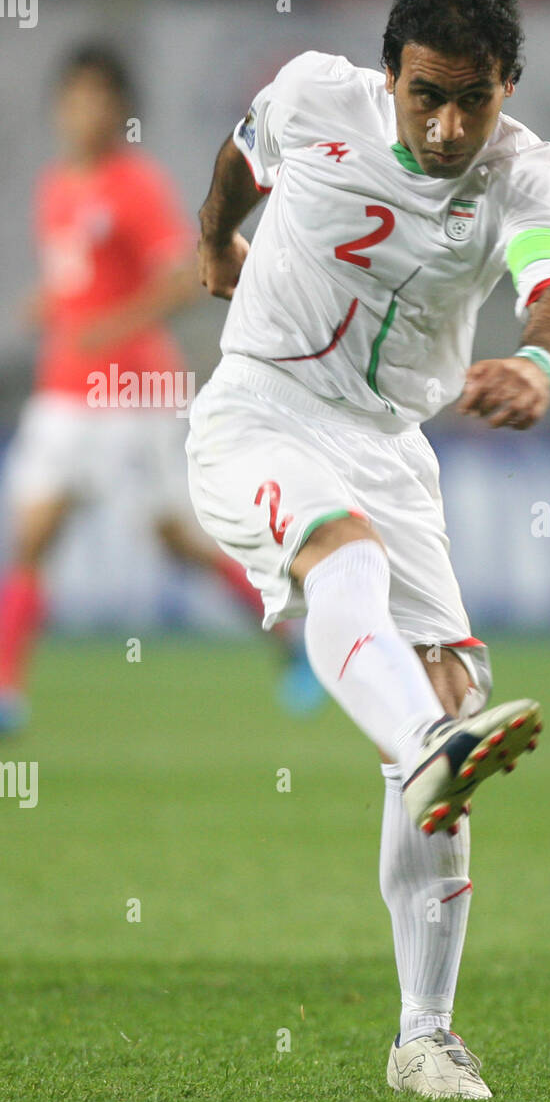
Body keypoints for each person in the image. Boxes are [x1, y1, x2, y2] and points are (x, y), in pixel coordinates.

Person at [187, 0, 550, 1096]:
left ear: (510, 85)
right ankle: (423, 745)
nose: (450, 123)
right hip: (259, 409)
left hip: (391, 452)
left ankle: (425, 1036)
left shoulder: (524, 174)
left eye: (476, 97)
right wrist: (217, 238)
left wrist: (537, 359)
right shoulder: (314, 96)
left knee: (452, 702)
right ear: (389, 76)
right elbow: (238, 154)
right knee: (345, 567)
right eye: (428, 95)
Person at [0, 45, 317, 734]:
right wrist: (52, 305)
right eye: (75, 96)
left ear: (121, 109)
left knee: (176, 538)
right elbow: (81, 281)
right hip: (62, 392)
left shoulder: (135, 185)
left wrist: (109, 325)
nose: (85, 110)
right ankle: (7, 690)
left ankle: (291, 642)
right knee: (32, 536)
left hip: (129, 393)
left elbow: (182, 278)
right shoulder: (57, 187)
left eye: (99, 97)